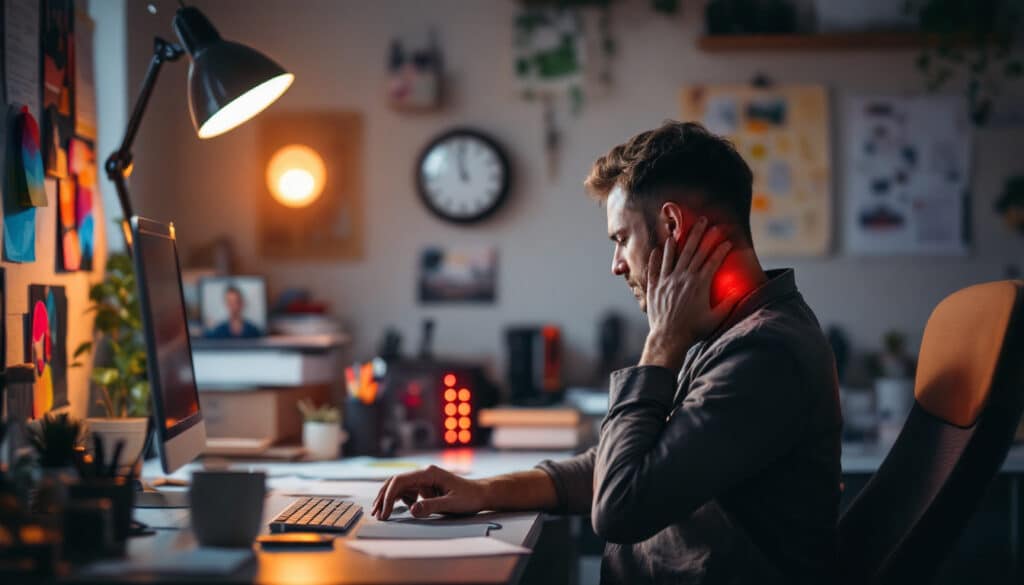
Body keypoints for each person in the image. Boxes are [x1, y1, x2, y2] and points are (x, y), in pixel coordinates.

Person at [372, 121, 842, 584]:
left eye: (621, 239)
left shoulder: (765, 353)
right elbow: (616, 466)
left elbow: (620, 506)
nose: (617, 265)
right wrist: (481, 491)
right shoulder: (728, 333)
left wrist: (661, 343)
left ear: (673, 225)